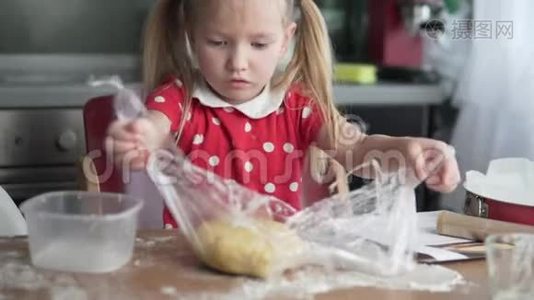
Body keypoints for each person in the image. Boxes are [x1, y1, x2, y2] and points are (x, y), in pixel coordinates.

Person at [107, 0, 460, 228]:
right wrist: (141, 138)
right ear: (191, 36)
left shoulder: (298, 106)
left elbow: (357, 149)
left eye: (259, 44)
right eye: (218, 42)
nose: (238, 63)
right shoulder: (179, 99)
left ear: (285, 40)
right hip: (193, 262)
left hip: (276, 263)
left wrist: (405, 150)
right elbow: (155, 126)